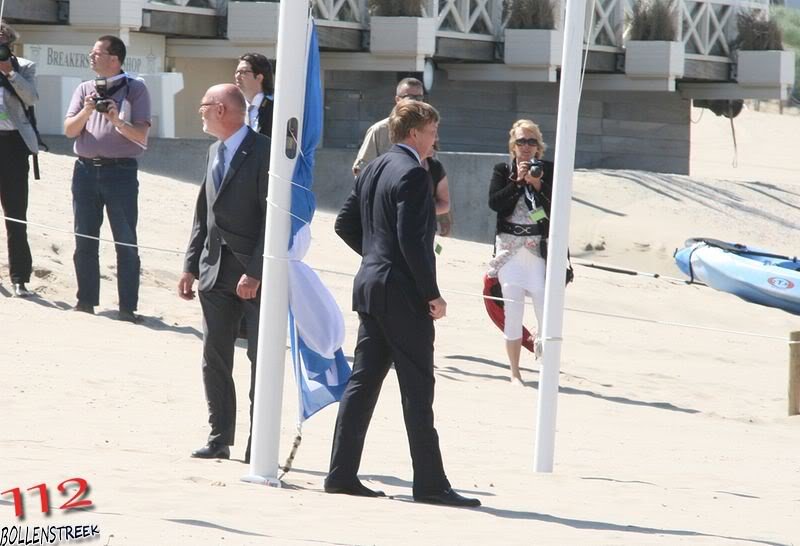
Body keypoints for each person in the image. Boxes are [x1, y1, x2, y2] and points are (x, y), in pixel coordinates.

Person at [327, 99, 480, 508]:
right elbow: (413, 242)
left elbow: (344, 223)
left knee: (362, 384)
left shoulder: (374, 166)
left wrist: (376, 258)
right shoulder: (413, 174)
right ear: (414, 133)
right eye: (432, 132)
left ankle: (341, 473)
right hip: (402, 294)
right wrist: (432, 293)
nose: (435, 140)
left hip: (372, 287)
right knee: (417, 388)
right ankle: (429, 484)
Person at [178, 84, 270, 463]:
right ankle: (220, 436)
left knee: (259, 360)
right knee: (214, 357)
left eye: (202, 106)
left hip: (253, 274)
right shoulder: (215, 151)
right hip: (214, 272)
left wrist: (256, 270)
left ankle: (258, 441)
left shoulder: (265, 151)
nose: (199, 113)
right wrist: (189, 264)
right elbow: (205, 213)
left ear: (219, 109)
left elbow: (274, 219)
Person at [64, 35, 151, 322]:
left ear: (114, 58)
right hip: (85, 171)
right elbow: (69, 130)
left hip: (121, 172)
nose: (91, 57)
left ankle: (127, 308)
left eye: (97, 53)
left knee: (125, 240)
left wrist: (116, 120)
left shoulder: (135, 89)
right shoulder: (84, 89)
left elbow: (141, 137)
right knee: (84, 238)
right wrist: (88, 110)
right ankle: (86, 302)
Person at [487, 119, 554, 385]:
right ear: (512, 146)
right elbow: (495, 203)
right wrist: (517, 183)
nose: (526, 147)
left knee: (544, 309)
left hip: (536, 249)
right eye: (521, 142)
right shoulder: (503, 170)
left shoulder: (547, 170)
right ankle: (514, 371)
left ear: (539, 146)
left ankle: (546, 368)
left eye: (531, 142)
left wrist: (536, 185)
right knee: (513, 311)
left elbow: (553, 207)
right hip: (510, 249)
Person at [353, 78, 452, 234]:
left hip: (420, 216)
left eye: (419, 97)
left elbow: (435, 175)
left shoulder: (428, 129)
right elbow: (363, 172)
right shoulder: (379, 130)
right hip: (386, 215)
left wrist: (443, 217)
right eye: (409, 97)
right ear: (397, 99)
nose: (415, 101)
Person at [0, 21, 39, 297]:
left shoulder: (24, 65)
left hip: (13, 144)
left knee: (16, 214)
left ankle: (19, 277)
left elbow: (31, 97)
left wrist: (10, 72)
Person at [234, 53, 274, 137]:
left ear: (259, 77)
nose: (237, 76)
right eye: (237, 72)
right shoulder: (234, 108)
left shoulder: (275, 108)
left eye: (243, 72)